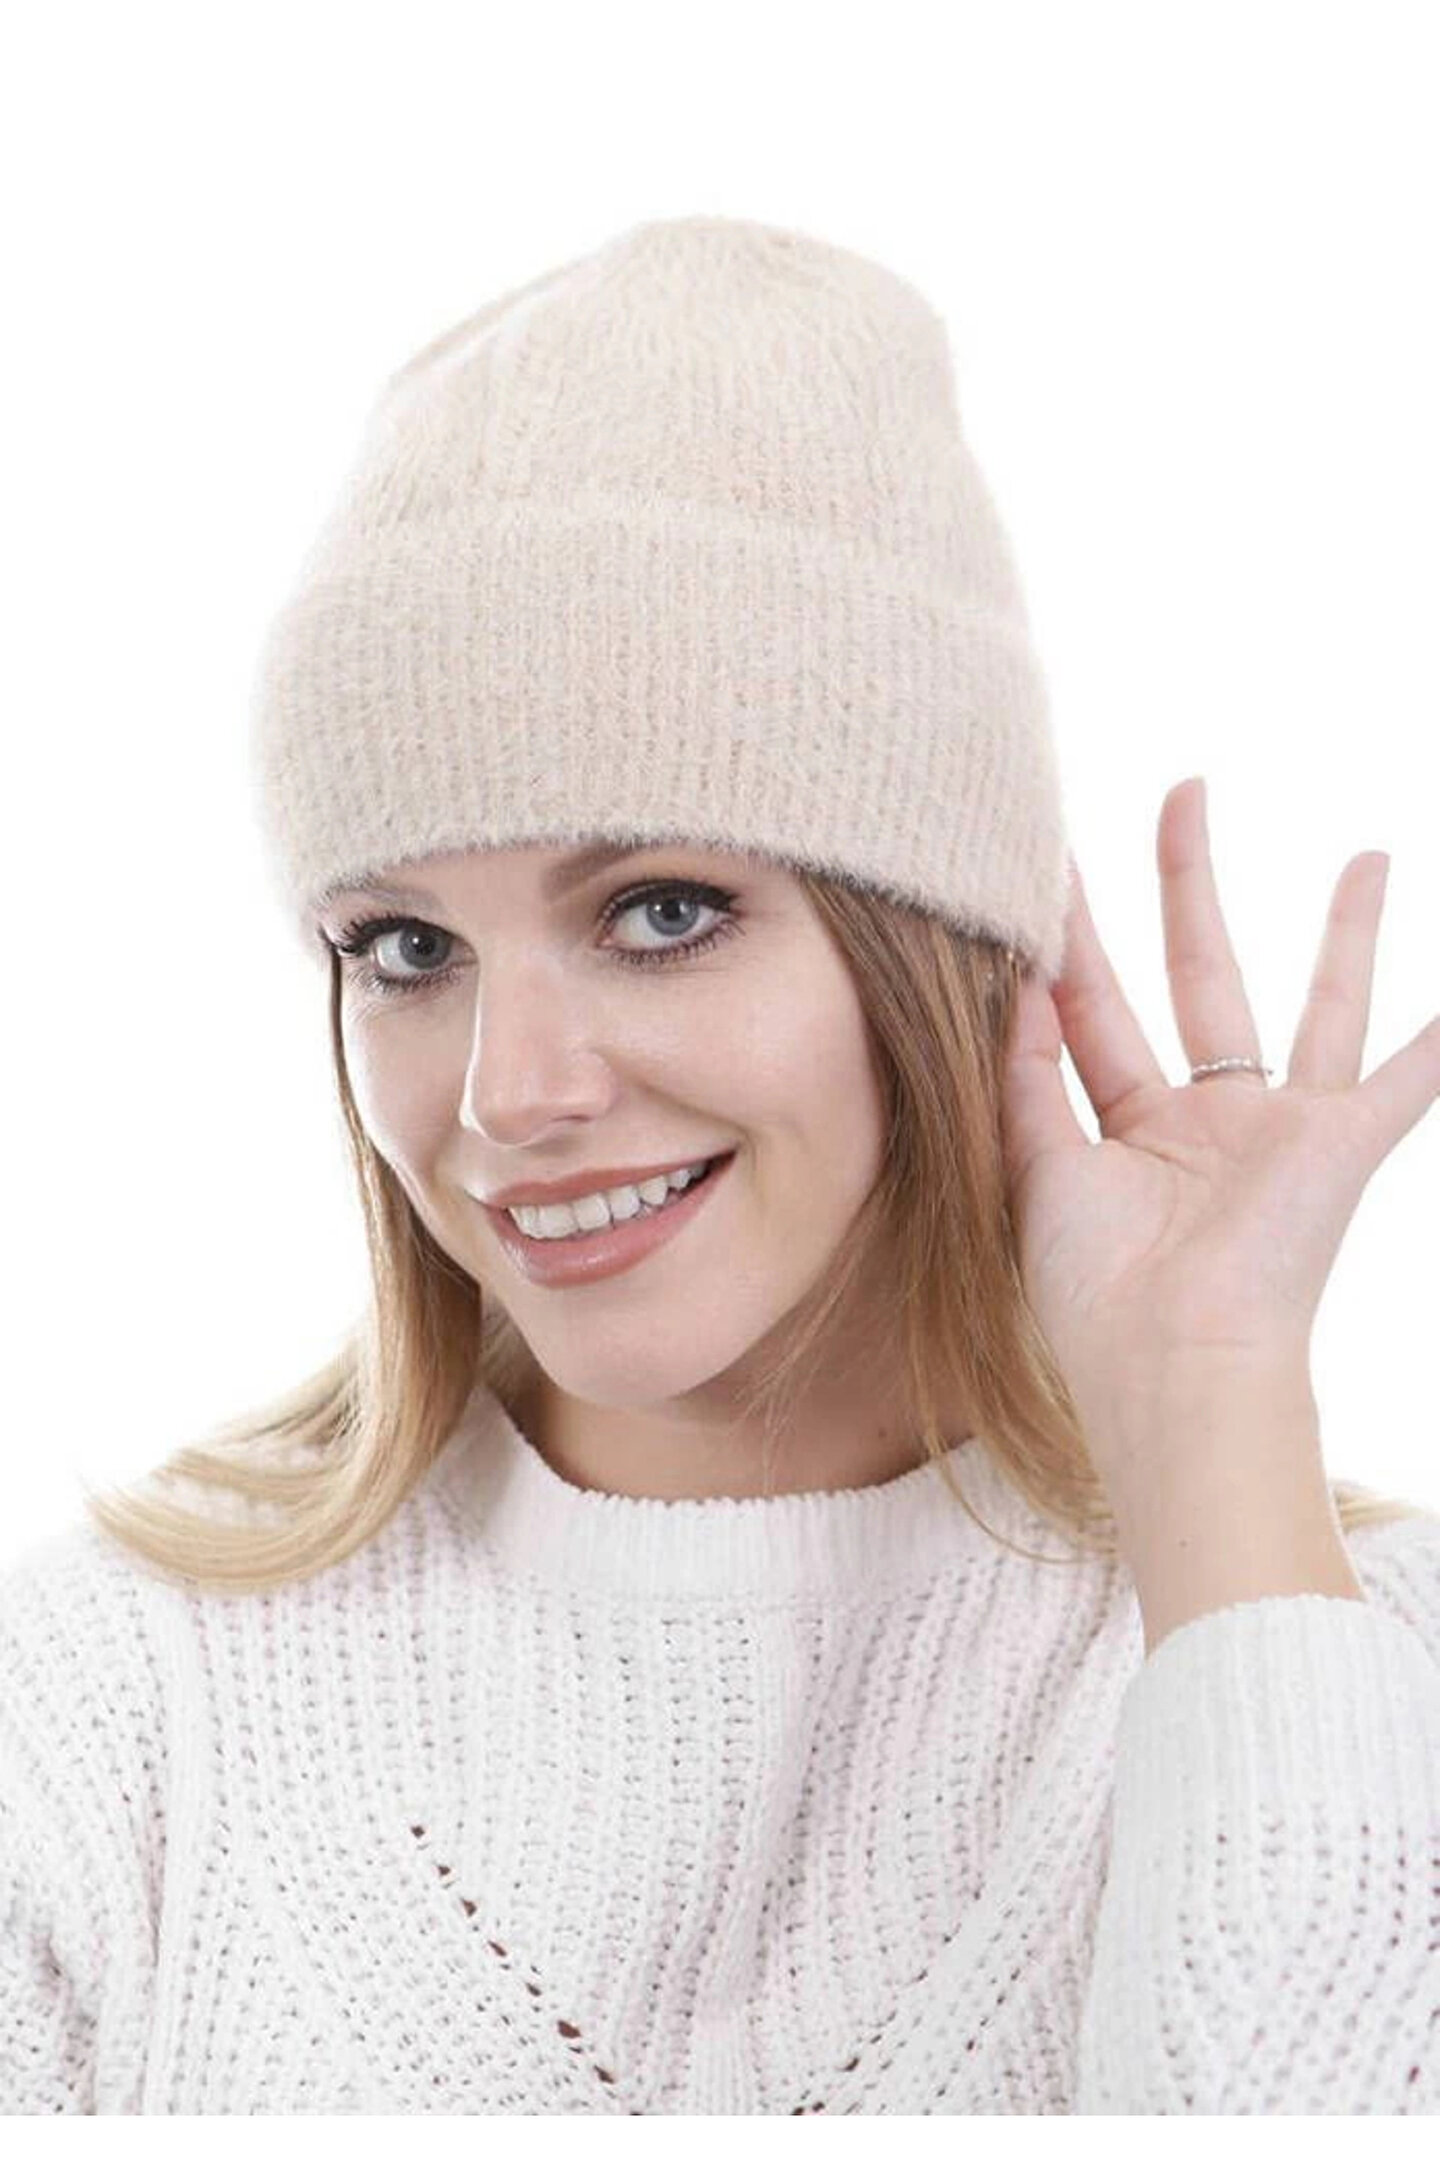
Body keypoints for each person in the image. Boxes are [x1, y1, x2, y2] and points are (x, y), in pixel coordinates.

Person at [2, 214, 1437, 2116]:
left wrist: (1213, 1426)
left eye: (661, 909)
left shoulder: (1342, 1666)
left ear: (942, 950)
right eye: (406, 946)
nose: (512, 1092)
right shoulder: (103, 1709)